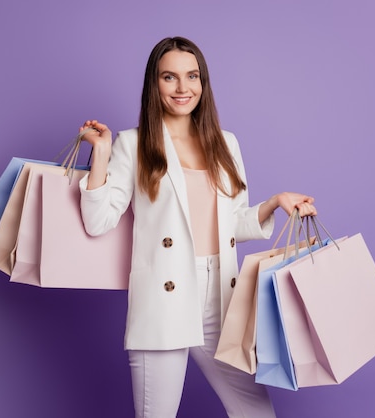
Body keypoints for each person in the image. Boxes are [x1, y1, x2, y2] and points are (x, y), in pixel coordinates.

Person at [78, 36, 316, 418]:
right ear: (154, 84)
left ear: (203, 83)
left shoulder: (225, 143)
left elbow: (234, 222)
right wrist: (102, 153)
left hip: (221, 292)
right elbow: (97, 220)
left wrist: (275, 202)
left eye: (192, 76)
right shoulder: (134, 143)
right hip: (164, 295)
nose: (182, 88)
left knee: (255, 412)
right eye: (169, 77)